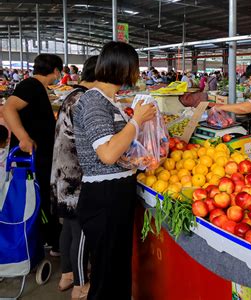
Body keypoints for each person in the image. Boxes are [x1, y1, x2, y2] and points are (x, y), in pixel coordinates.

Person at [73, 42, 156, 300]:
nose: (136, 75)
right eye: (134, 68)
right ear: (123, 68)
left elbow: (117, 149)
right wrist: (136, 121)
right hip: (104, 196)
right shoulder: (95, 101)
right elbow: (108, 153)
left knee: (116, 268)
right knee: (108, 274)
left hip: (114, 192)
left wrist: (137, 158)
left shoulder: (107, 100)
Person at [3, 54, 63, 254]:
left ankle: (49, 237)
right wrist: (24, 138)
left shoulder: (38, 88)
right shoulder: (30, 86)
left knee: (44, 194)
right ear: (55, 71)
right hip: (31, 155)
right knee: (40, 195)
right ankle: (50, 238)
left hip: (40, 154)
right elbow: (8, 108)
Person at [51, 55, 98, 300]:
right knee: (81, 231)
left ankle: (67, 275)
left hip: (61, 171)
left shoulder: (71, 95)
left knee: (68, 226)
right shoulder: (85, 100)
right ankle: (81, 285)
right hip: (76, 174)